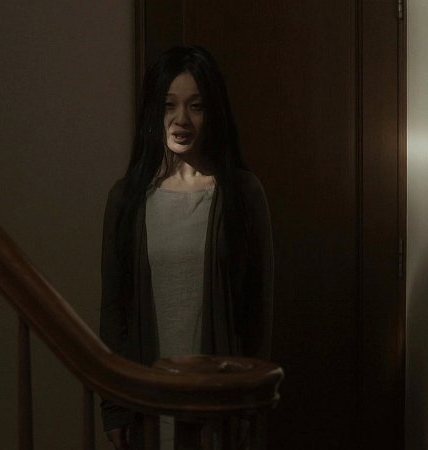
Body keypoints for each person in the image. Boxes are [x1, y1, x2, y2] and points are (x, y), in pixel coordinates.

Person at [99, 45, 274, 450]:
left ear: (213, 113)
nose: (181, 119)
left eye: (196, 106)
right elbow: (114, 311)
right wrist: (114, 407)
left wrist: (248, 407)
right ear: (152, 112)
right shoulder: (126, 199)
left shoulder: (244, 194)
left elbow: (258, 312)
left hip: (222, 406)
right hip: (147, 402)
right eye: (169, 105)